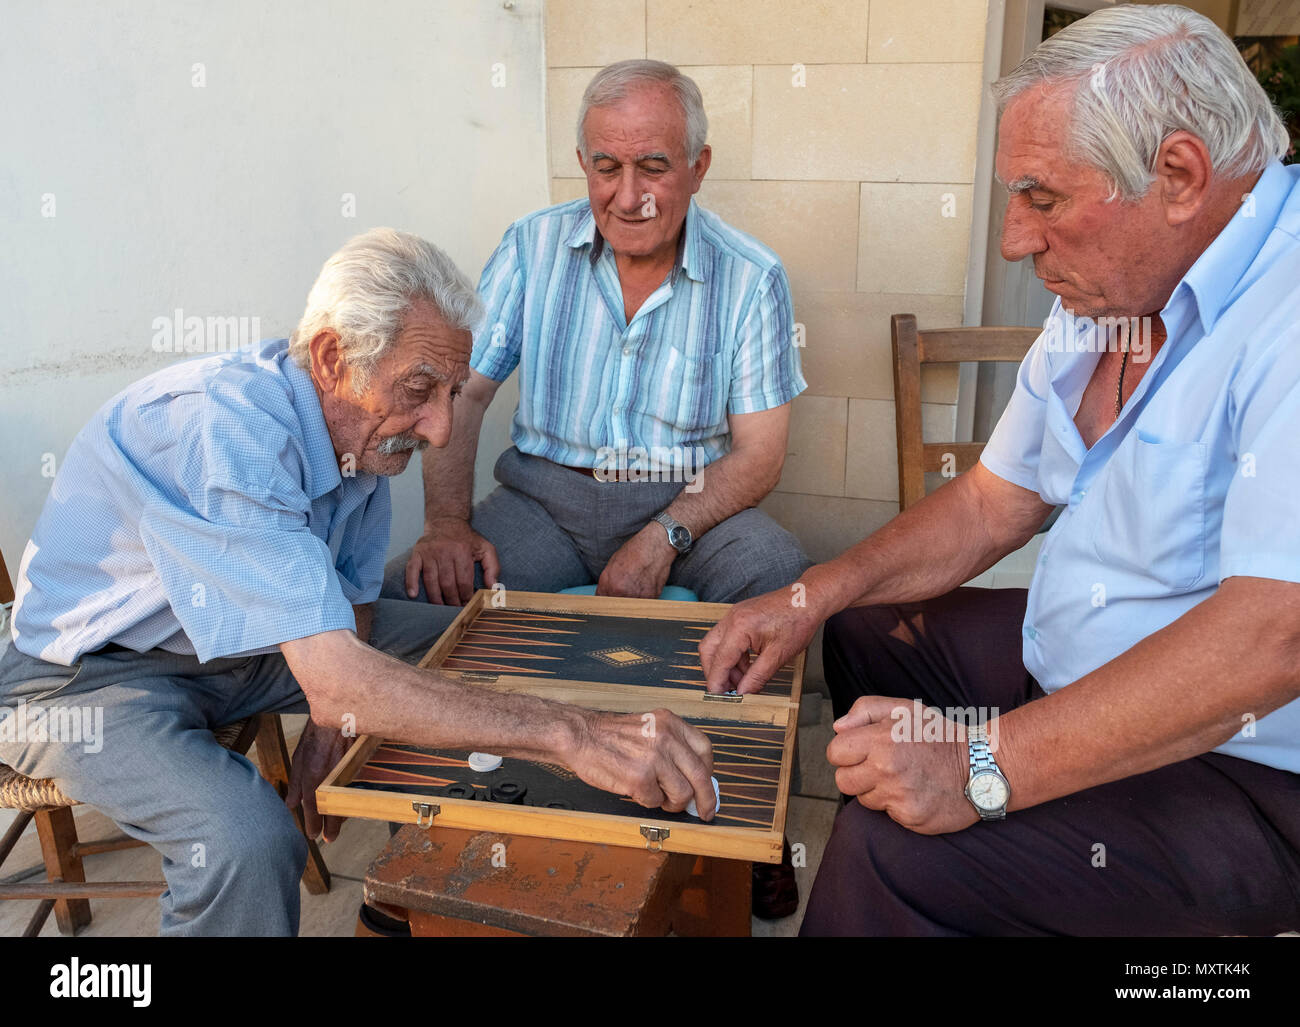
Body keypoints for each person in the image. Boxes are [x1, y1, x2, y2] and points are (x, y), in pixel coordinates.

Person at [699, 4, 1300, 936]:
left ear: (1178, 175)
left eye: (1043, 198)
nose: (1016, 240)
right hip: (1076, 664)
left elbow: (1275, 636)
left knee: (887, 855)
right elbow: (991, 503)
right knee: (864, 625)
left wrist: (982, 766)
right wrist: (805, 597)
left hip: (1250, 770)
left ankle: (922, 870)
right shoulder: (1116, 285)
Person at [0, 228, 716, 936]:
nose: (439, 429)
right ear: (332, 358)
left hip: (242, 650)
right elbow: (342, 676)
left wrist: (330, 719)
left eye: (451, 392)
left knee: (489, 640)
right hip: (86, 679)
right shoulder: (222, 427)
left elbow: (356, 609)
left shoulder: (361, 440)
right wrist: (569, 734)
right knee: (243, 843)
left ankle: (444, 883)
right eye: (418, 390)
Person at [383, 59, 811, 918]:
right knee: (414, 594)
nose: (629, 194)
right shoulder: (533, 246)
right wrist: (443, 521)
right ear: (583, 164)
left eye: (654, 165)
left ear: (698, 165)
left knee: (781, 580)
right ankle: (420, 828)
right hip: (545, 497)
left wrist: (663, 539)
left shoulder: (750, 275)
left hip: (685, 500)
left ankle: (751, 828)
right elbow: (462, 391)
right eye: (606, 166)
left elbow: (759, 456)